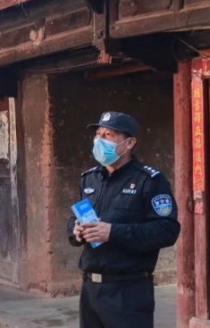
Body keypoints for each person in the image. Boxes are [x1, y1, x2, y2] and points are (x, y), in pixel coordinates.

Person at [67, 111, 181, 328]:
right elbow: (74, 218)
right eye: (98, 134)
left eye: (108, 135)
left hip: (128, 291)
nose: (99, 140)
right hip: (90, 287)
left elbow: (167, 230)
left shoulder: (149, 180)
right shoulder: (90, 178)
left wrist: (113, 232)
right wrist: (75, 230)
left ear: (129, 143)